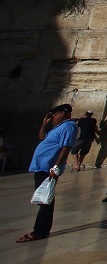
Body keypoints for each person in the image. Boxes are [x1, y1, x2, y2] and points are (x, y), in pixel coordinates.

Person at [17, 104, 78, 243]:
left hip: (48, 169)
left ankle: (39, 231)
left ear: (62, 113)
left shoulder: (69, 126)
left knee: (45, 200)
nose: (53, 118)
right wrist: (45, 124)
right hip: (41, 168)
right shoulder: (58, 127)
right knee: (44, 199)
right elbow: (42, 137)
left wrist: (56, 167)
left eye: (54, 115)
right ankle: (41, 230)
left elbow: (66, 147)